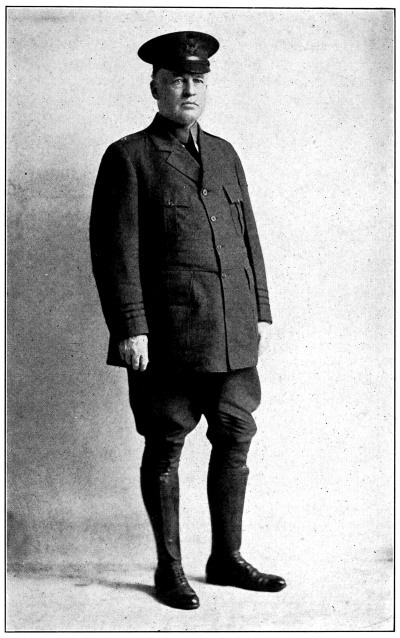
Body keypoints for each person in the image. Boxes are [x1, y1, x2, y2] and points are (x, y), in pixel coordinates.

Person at [90, 30, 286, 610]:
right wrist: (131, 326)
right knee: (166, 442)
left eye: (198, 79)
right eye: (177, 79)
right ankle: (169, 568)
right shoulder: (129, 156)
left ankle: (226, 558)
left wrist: (260, 310)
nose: (189, 89)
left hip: (232, 328)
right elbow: (114, 250)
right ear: (155, 87)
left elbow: (249, 236)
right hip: (169, 336)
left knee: (235, 434)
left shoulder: (225, 153)